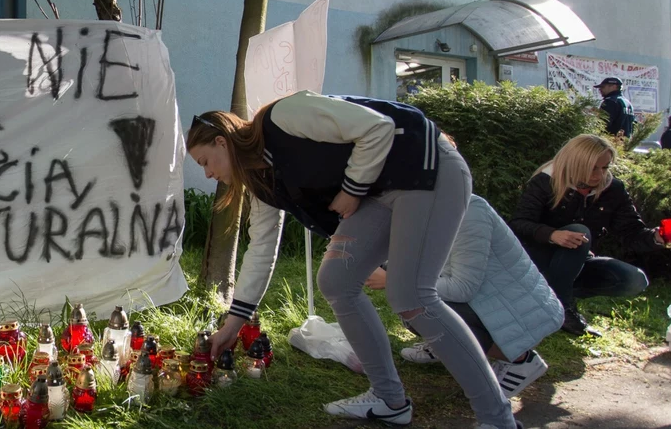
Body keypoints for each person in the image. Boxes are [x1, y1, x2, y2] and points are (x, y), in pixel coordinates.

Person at [188, 91, 520, 429]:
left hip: (427, 167)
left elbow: (378, 127)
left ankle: (498, 418)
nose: (207, 175)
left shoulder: (284, 115)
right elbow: (261, 248)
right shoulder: (261, 181)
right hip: (379, 191)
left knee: (411, 295)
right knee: (336, 280)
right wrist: (234, 323)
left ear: (221, 142)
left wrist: (351, 189)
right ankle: (389, 399)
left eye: (204, 162)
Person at [365, 195, 562, 400]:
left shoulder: (469, 212)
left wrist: (392, 279)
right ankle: (442, 345)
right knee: (409, 298)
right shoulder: (424, 209)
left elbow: (462, 288)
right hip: (488, 301)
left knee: (416, 303)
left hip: (518, 310)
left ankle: (520, 360)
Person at [509, 134, 671, 337]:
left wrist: (657, 237)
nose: (599, 174)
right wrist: (553, 235)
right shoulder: (546, 181)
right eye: (593, 167)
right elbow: (518, 224)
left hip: (578, 261)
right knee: (580, 232)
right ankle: (560, 308)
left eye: (604, 167)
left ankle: (555, 298)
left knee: (635, 280)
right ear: (575, 163)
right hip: (537, 260)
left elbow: (631, 232)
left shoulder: (613, 189)